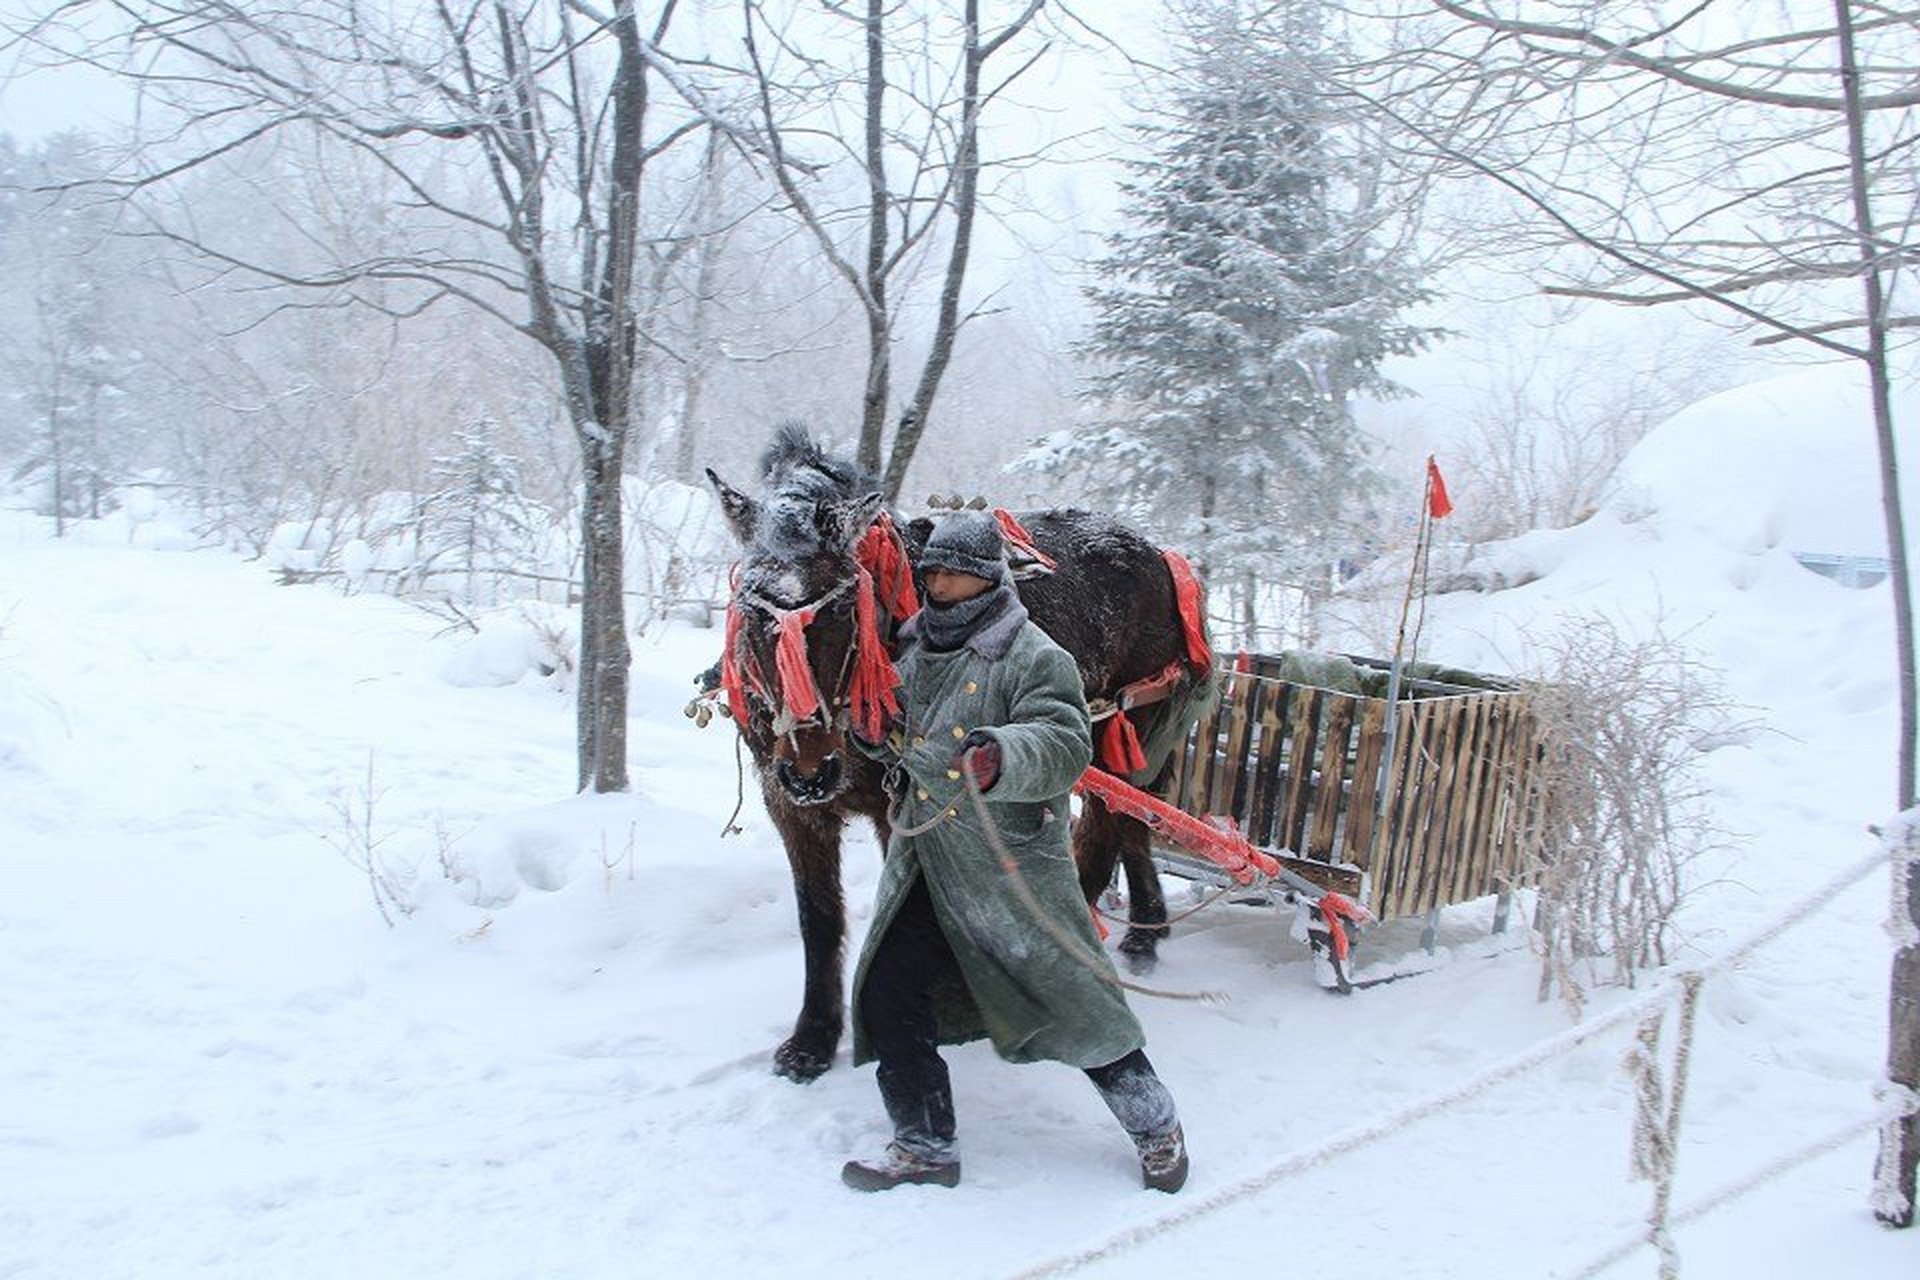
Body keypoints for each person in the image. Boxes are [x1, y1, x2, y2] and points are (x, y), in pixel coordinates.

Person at [842, 509, 1188, 1194]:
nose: (940, 583)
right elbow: (902, 741)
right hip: (929, 860)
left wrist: (1005, 754)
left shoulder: (1033, 655)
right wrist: (871, 732)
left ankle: (1157, 1127)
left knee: (1075, 1001)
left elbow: (1062, 742)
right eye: (933, 570)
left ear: (987, 577)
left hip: (1008, 863)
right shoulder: (913, 647)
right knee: (888, 992)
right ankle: (925, 1145)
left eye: (956, 573)